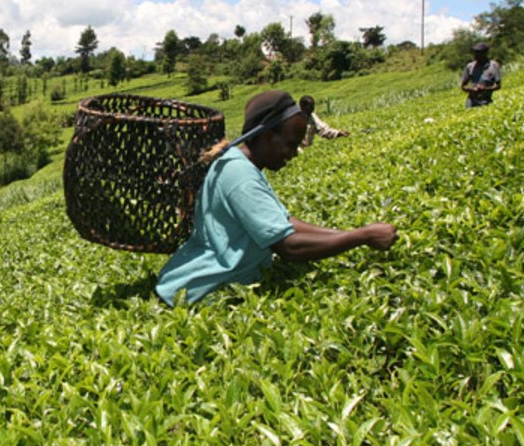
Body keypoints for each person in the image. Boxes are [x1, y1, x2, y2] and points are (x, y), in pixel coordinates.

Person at [155, 90, 398, 307]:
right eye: (290, 144)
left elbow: (285, 223)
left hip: (196, 280)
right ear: (268, 136)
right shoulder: (241, 177)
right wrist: (361, 237)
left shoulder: (239, 163)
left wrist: (354, 233)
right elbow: (288, 247)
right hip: (200, 291)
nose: (294, 154)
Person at [461, 42, 501, 108]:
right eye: (475, 52)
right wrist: (472, 89)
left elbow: (498, 86)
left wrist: (485, 88)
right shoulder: (470, 66)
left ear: (485, 53)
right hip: (471, 101)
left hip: (486, 100)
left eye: (478, 52)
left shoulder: (493, 65)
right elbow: (463, 86)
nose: (475, 55)